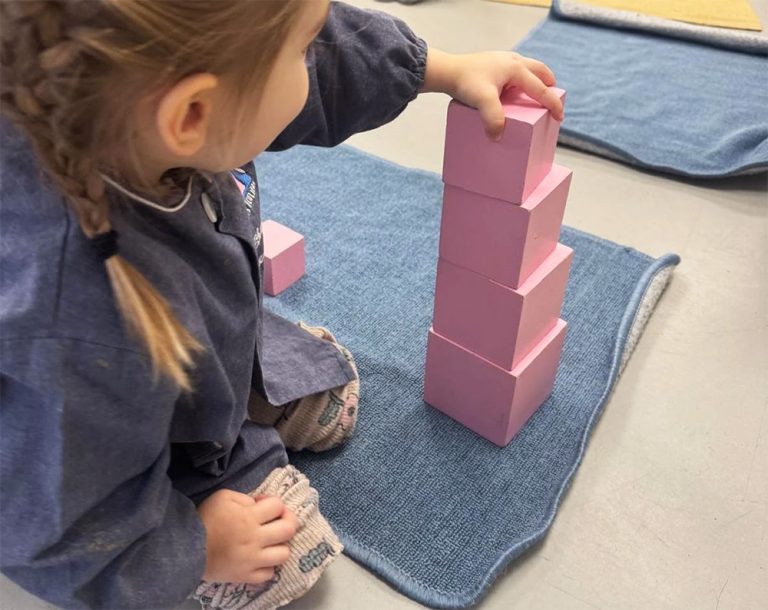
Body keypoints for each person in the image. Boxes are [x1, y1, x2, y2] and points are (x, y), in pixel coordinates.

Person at [0, 1, 563, 609]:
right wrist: (193, 545)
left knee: (259, 353)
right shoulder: (74, 319)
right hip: (86, 422)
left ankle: (241, 386)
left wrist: (440, 69)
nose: (314, 55)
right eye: (301, 50)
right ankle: (195, 467)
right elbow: (51, 518)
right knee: (291, 558)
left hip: (175, 337)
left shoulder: (152, 102)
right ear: (193, 114)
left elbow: (317, 46)